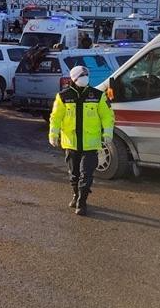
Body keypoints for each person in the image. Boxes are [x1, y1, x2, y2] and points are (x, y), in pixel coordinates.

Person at [48, 65, 115, 216]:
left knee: (86, 174)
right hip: (71, 143)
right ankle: (75, 194)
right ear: (74, 79)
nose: (84, 78)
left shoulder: (97, 95)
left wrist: (108, 132)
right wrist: (53, 134)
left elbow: (107, 115)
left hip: (90, 144)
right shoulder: (63, 96)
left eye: (86, 75)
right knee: (74, 174)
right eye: (81, 76)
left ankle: (82, 202)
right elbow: (56, 117)